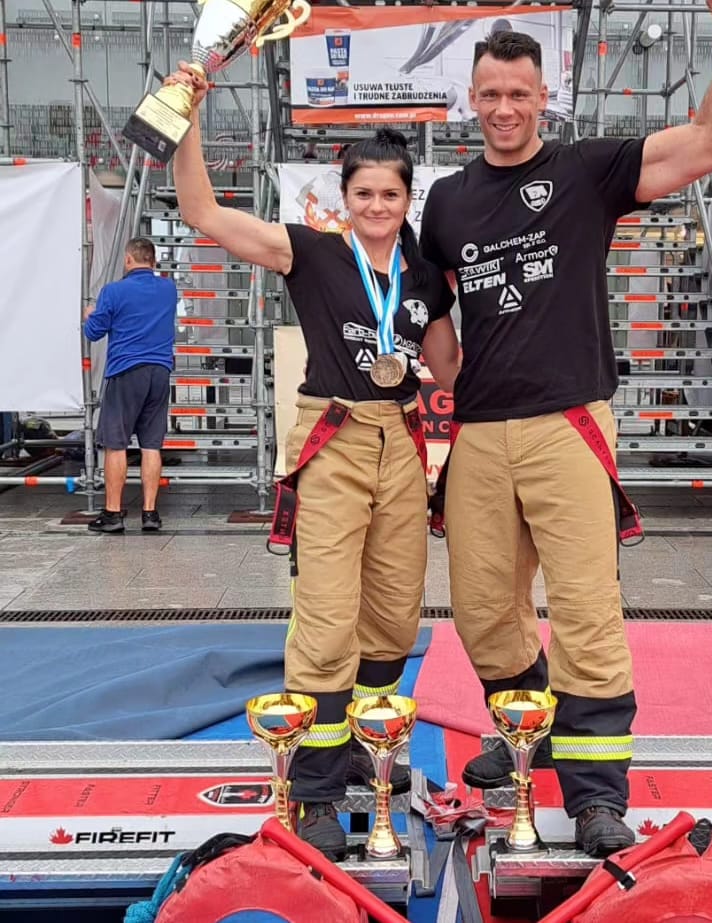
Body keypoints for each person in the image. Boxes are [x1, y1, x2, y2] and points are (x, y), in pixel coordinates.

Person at [419, 3, 712, 858]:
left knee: (584, 610)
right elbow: (428, 309)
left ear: (544, 97)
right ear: (470, 99)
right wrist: (436, 369)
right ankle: (526, 729)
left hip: (567, 421)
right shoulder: (447, 201)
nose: (503, 108)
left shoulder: (585, 171)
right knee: (483, 611)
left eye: (518, 93)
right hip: (479, 431)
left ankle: (596, 793)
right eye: (490, 93)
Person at [165, 63, 461, 861]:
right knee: (327, 615)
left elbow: (449, 367)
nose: (377, 205)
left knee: (394, 613)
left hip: (403, 440)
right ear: (343, 196)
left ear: (407, 199)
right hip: (332, 437)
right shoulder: (311, 252)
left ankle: (366, 745)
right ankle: (317, 786)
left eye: (390, 194)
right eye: (364, 193)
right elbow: (201, 212)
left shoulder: (424, 278)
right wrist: (187, 116)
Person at [83, 238, 178, 534]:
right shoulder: (169, 289)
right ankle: (150, 513)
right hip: (160, 371)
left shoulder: (113, 291)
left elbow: (94, 332)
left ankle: (113, 513)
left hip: (126, 370)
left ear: (128, 260)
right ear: (153, 261)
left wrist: (89, 314)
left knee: (116, 444)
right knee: (151, 445)